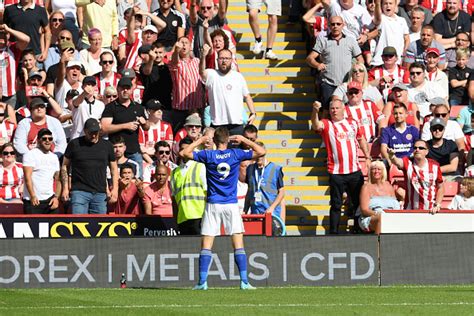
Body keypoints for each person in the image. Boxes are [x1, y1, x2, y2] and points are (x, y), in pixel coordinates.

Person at [179, 127, 265, 290]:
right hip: (231, 204)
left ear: (215, 140)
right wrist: (244, 140)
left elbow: (184, 154)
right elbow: (261, 151)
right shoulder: (235, 154)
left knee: (206, 244)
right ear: (227, 140)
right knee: (238, 243)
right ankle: (244, 282)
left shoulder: (208, 155)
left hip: (213, 203)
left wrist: (200, 141)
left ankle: (202, 282)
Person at [311, 100, 370, 234]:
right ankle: (334, 233)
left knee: (357, 203)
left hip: (354, 170)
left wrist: (367, 156)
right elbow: (315, 125)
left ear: (344, 109)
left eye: (337, 108)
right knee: (336, 204)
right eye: (332, 108)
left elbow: (361, 139)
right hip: (336, 171)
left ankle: (358, 229)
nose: (334, 110)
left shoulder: (353, 122)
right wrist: (315, 111)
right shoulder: (327, 124)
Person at [306, 15, 363, 117]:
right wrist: (317, 64)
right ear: (328, 25)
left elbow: (360, 59)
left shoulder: (350, 40)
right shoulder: (323, 40)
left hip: (346, 84)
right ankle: (324, 132)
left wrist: (358, 72)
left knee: (347, 111)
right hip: (329, 83)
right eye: (332, 24)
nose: (335, 26)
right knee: (327, 111)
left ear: (343, 25)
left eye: (338, 24)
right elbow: (310, 58)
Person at [61, 118, 118, 214]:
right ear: (85, 131)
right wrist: (65, 188)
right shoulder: (74, 144)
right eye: (90, 132)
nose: (94, 135)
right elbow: (65, 166)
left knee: (99, 226)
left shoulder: (107, 145)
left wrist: (115, 189)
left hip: (100, 192)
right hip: (79, 191)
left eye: (96, 132)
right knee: (79, 224)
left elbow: (114, 169)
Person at [200, 45, 256, 136]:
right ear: (217, 60)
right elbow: (201, 72)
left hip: (236, 125)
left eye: (227, 58)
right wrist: (203, 56)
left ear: (231, 60)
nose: (224, 61)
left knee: (235, 150)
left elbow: (247, 96)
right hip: (217, 124)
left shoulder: (238, 76)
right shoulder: (212, 74)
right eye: (221, 58)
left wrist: (253, 113)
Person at [101, 77, 149, 178]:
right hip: (116, 151)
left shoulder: (138, 107)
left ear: (132, 89)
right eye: (123, 88)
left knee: (137, 181)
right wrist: (125, 126)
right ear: (118, 89)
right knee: (114, 180)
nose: (125, 90)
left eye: (127, 88)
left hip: (134, 151)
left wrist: (144, 123)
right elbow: (104, 128)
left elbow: (147, 127)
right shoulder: (110, 107)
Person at [388, 139, 444, 213]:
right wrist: (392, 156)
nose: (417, 150)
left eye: (421, 148)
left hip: (430, 211)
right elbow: (398, 162)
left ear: (426, 151)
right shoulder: (408, 163)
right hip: (411, 210)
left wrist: (438, 204)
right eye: (415, 148)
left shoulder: (435, 166)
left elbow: (440, 187)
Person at [171, 137, 207, 235]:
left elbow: (207, 193)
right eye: (182, 149)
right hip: (182, 219)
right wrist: (175, 221)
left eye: (188, 148)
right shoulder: (174, 173)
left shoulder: (200, 167)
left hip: (199, 216)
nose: (185, 151)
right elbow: (174, 200)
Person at [169, 37, 205, 130]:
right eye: (181, 43)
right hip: (181, 108)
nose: (184, 45)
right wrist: (176, 51)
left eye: (186, 43)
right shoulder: (176, 62)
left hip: (197, 107)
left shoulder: (197, 61)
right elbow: (174, 62)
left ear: (190, 47)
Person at [22, 128, 61, 214]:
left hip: (50, 200)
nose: (47, 141)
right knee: (33, 226)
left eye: (50, 139)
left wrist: (56, 198)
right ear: (39, 140)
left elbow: (58, 179)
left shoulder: (54, 157)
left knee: (53, 226)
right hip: (34, 200)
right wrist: (32, 196)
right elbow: (27, 177)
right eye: (44, 139)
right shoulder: (30, 155)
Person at [245, 141, 285, 220]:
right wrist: (245, 209)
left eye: (261, 154)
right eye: (256, 154)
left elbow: (282, 192)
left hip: (271, 214)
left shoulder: (275, 169)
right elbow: (249, 192)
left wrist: (271, 208)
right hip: (255, 214)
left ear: (264, 153)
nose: (259, 157)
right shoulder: (250, 169)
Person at [357, 160, 400, 234]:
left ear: (383, 172)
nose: (376, 171)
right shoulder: (366, 187)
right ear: (370, 172)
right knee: (381, 219)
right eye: (373, 169)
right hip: (371, 217)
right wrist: (379, 213)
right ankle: (378, 243)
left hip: (389, 216)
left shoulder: (389, 186)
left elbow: (395, 205)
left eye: (379, 169)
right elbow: (364, 210)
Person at [0, 23, 30, 108]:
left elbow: (26, 39)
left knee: (10, 120)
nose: (2, 36)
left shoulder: (13, 48)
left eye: (4, 34)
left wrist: (8, 29)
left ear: (9, 35)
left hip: (10, 94)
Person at [371, 0, 409, 67]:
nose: (388, 6)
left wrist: (403, 55)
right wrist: (377, 4)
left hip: (397, 63)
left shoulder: (402, 20)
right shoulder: (382, 18)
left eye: (390, 3)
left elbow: (407, 39)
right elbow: (377, 19)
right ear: (382, 6)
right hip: (380, 62)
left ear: (395, 5)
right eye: (385, 4)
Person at [139, 99, 173, 164]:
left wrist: (150, 151)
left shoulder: (167, 126)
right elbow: (141, 149)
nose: (160, 111)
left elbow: (168, 147)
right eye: (156, 109)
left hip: (163, 158)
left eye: (161, 109)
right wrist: (152, 163)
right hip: (146, 160)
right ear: (148, 111)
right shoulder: (142, 127)